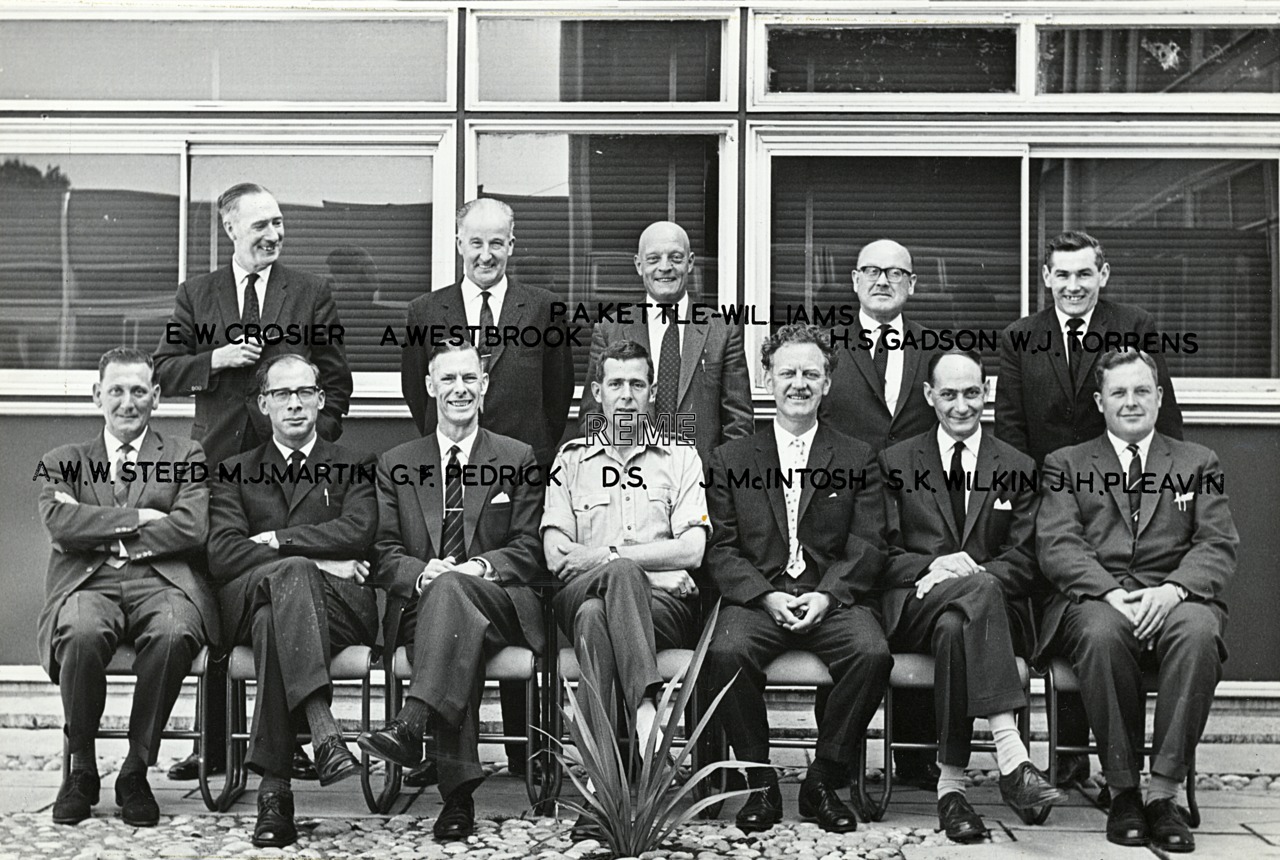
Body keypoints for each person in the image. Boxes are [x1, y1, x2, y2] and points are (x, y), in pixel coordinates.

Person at [154, 181, 351, 782]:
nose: (272, 234)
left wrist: (315, 439)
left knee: (279, 591)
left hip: (286, 477)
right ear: (230, 229)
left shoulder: (311, 291)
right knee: (220, 592)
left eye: (279, 223)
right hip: (218, 470)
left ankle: (287, 737)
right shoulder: (199, 293)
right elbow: (164, 368)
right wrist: (214, 361)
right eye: (259, 225)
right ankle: (215, 742)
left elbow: (337, 381)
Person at [996, 229, 1185, 786]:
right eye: (1063, 275)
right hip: (1052, 510)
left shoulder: (1135, 327)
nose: (1073, 286)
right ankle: (1069, 760)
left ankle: (1114, 768)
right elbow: (1010, 436)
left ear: (1102, 275)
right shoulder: (1019, 337)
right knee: (1067, 620)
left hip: (1123, 508)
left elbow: (1161, 419)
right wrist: (1031, 517)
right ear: (1047, 278)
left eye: (1085, 274)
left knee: (1105, 625)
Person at [1037, 349, 1236, 853]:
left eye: (1141, 391)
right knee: (1101, 633)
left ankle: (1163, 795)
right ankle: (1124, 789)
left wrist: (1172, 590)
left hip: (1175, 595)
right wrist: (1110, 592)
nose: (1131, 402)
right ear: (1101, 402)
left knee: (1198, 632)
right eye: (1119, 393)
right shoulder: (1067, 463)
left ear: (1159, 397)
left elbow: (1217, 543)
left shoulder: (1197, 462)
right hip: (1098, 598)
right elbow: (1057, 543)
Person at [703, 324, 890, 835]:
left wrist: (828, 596)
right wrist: (763, 597)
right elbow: (720, 547)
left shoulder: (856, 457)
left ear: (828, 382)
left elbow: (869, 543)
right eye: (788, 373)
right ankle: (760, 782)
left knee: (872, 653)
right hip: (758, 599)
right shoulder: (731, 457)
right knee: (725, 651)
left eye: (812, 373)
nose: (799, 384)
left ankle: (824, 779)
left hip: (831, 597)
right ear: (768, 379)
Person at [359, 341, 546, 842]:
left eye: (469, 379)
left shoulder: (516, 456)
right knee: (445, 609)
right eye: (448, 380)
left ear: (484, 387)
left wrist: (479, 567)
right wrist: (425, 573)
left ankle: (420, 735)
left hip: (499, 600)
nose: (459, 389)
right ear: (429, 387)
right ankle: (454, 794)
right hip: (425, 604)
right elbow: (383, 551)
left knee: (452, 594)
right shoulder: (398, 461)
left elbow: (530, 547)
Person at [879, 349, 1064, 842]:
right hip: (917, 603)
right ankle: (1011, 754)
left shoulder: (1018, 465)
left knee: (957, 625)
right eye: (950, 394)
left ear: (988, 393)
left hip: (989, 609)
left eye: (972, 393)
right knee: (962, 603)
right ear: (929, 396)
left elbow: (1026, 558)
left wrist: (972, 573)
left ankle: (950, 790)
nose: (961, 406)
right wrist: (937, 566)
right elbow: (882, 553)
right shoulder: (897, 462)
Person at [37, 347, 216, 827]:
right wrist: (138, 517)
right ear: (98, 395)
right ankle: (81, 769)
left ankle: (136, 769)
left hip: (160, 582)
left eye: (139, 390)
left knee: (177, 631)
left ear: (156, 396)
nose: (127, 402)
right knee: (79, 630)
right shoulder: (64, 460)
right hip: (88, 584)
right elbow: (60, 524)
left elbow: (191, 527)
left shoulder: (185, 455)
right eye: (116, 390)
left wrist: (107, 537)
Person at [207, 354, 377, 848]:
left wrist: (278, 541)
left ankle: (274, 793)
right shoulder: (235, 470)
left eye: (305, 392)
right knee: (288, 585)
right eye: (282, 394)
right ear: (264, 404)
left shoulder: (353, 464)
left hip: (339, 609)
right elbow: (221, 552)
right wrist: (318, 559)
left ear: (321, 399)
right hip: (261, 596)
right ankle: (320, 727)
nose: (295, 404)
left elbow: (359, 530)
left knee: (271, 621)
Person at [541, 339, 709, 840]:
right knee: (609, 587)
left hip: (658, 610)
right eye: (616, 384)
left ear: (653, 391)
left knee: (598, 616)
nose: (627, 396)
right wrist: (646, 568)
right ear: (597, 392)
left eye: (638, 384)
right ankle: (645, 712)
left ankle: (599, 793)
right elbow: (556, 556)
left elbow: (695, 550)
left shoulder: (680, 457)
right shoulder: (569, 459)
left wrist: (611, 560)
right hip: (584, 594)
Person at [817, 238, 938, 786]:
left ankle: (916, 756)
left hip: (919, 507)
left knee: (915, 613)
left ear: (913, 284)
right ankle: (835, 758)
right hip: (845, 508)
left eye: (896, 272)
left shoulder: (935, 352)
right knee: (844, 610)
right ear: (854, 280)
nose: (883, 280)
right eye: (872, 271)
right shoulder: (827, 349)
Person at [401, 197, 575, 470]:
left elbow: (559, 392)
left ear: (511, 245)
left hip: (525, 466)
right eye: (476, 243)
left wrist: (533, 446)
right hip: (453, 464)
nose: (486, 255)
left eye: (496, 243)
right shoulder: (424, 312)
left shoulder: (545, 309)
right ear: (460, 245)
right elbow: (416, 390)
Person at [578, 221, 754, 463]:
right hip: (628, 479)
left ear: (690, 262)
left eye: (675, 257)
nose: (665, 267)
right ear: (639, 266)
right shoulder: (610, 329)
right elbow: (593, 417)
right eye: (653, 259)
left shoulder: (721, 330)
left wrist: (719, 484)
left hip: (703, 484)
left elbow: (738, 423)